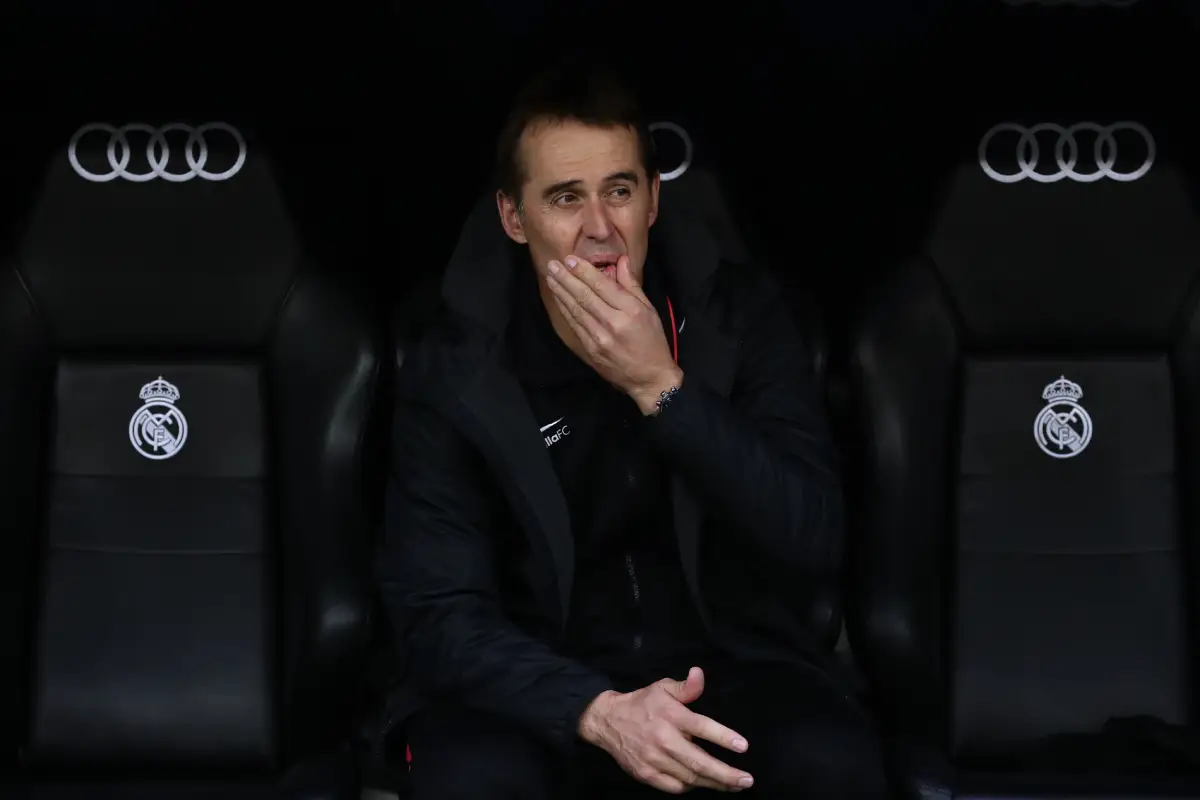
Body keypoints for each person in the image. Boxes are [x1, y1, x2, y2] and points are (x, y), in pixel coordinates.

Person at [376, 63, 892, 798]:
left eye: (619, 191)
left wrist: (662, 388)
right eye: (564, 198)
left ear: (653, 201)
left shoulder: (737, 316)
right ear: (513, 218)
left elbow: (811, 537)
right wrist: (596, 710)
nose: (598, 230)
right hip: (532, 684)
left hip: (726, 666)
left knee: (831, 761)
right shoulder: (458, 359)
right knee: (472, 781)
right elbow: (436, 613)